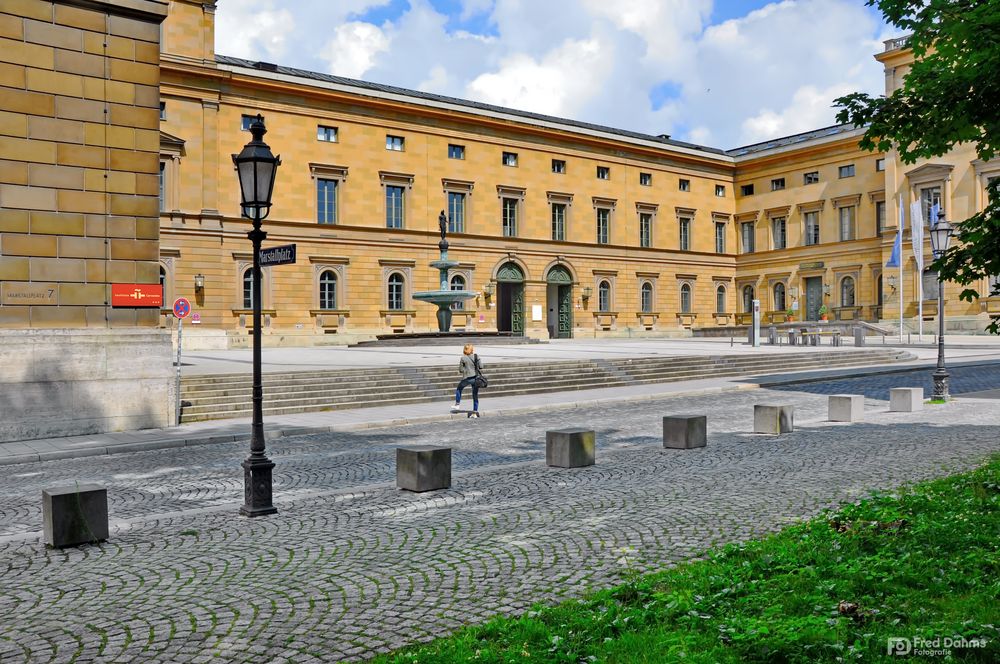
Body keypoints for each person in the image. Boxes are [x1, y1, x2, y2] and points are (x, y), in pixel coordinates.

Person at [451, 343, 481, 417]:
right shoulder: (476, 356)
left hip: (467, 378)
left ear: (465, 349)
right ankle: (475, 413)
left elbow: (461, 370)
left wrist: (466, 368)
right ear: (472, 349)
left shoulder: (463, 358)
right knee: (475, 395)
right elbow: (481, 366)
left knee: (459, 388)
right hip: (476, 378)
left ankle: (457, 404)